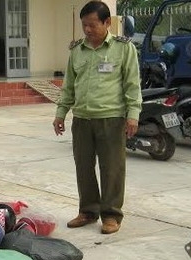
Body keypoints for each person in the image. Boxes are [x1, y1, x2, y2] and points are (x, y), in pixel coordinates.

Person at [53, 1, 142, 234]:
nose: (88, 30)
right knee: (83, 167)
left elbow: (132, 85)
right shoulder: (76, 50)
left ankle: (111, 214)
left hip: (111, 118)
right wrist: (60, 113)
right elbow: (69, 86)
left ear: (106, 22)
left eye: (93, 25)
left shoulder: (123, 48)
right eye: (84, 25)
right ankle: (88, 211)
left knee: (112, 168)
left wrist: (133, 115)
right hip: (82, 118)